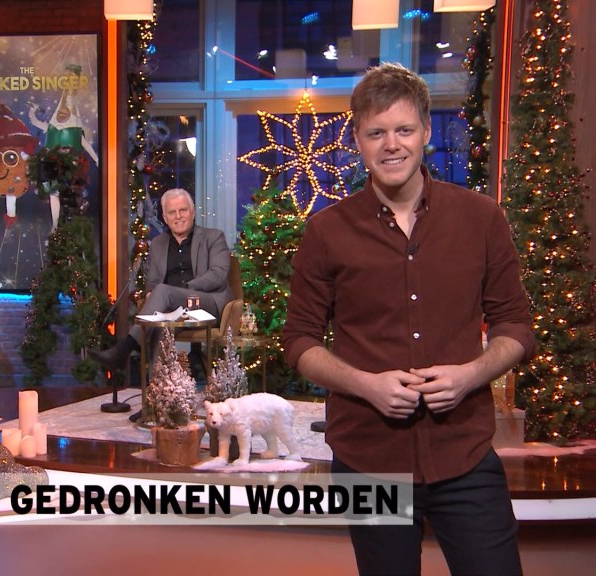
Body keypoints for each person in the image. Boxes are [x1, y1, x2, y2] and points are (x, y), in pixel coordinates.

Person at [282, 63, 534, 575]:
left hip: (463, 452)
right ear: (358, 139)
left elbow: (516, 325)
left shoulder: (481, 218)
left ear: (425, 132)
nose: (391, 144)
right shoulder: (327, 232)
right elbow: (299, 341)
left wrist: (470, 375)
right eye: (376, 133)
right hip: (370, 457)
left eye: (403, 129)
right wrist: (365, 384)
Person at [91, 188, 231, 373]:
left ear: (192, 212)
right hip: (171, 309)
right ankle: (158, 385)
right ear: (165, 217)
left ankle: (125, 348)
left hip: (206, 303)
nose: (178, 216)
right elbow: (153, 282)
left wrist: (182, 289)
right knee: (160, 326)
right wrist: (152, 293)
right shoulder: (158, 243)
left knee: (164, 292)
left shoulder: (213, 237)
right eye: (172, 212)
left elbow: (218, 274)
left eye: (183, 210)